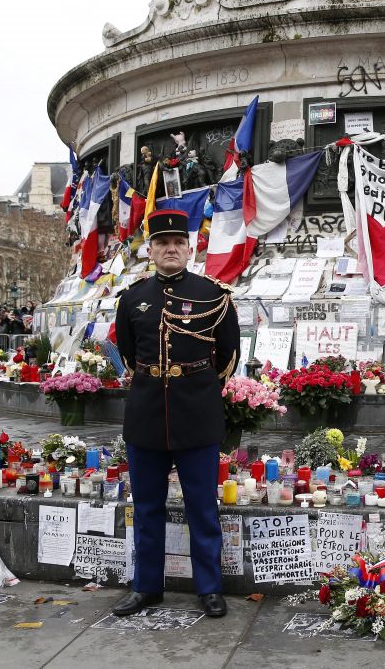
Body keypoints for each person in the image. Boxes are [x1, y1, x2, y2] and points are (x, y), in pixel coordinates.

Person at [113, 208, 239, 619]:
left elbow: (228, 357)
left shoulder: (213, 295)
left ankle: (209, 588)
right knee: (147, 508)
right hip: (147, 416)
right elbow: (130, 355)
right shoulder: (132, 298)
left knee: (202, 506)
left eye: (178, 243)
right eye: (162, 244)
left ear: (190, 249)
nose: (171, 249)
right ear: (150, 250)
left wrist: (196, 388)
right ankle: (146, 586)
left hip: (197, 414)